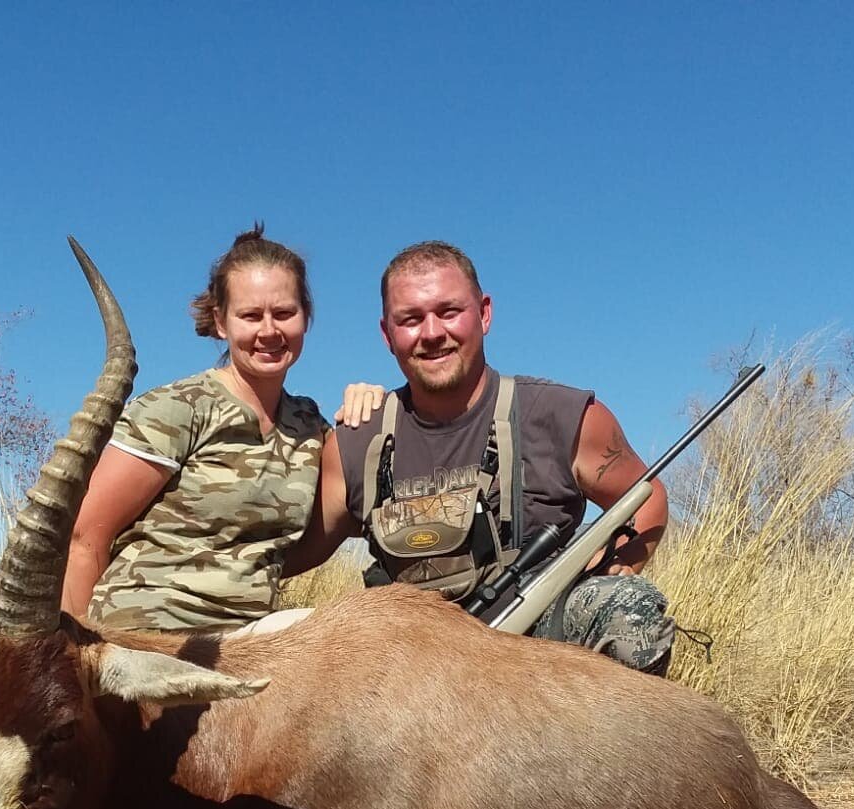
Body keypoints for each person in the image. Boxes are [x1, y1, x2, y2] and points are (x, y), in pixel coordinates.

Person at [284, 240, 675, 674]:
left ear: (484, 313)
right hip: (406, 667)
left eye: (449, 311)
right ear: (387, 334)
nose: (432, 333)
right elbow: (295, 553)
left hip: (539, 658)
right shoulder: (357, 442)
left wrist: (622, 564)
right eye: (410, 319)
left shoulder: (562, 415)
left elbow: (648, 494)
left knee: (628, 609)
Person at [61, 226, 329, 633]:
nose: (269, 331)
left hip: (246, 640)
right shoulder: (177, 409)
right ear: (221, 322)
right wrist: (76, 660)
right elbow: (84, 538)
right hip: (146, 636)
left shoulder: (308, 425)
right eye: (251, 316)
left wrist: (370, 401)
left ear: (306, 317)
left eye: (284, 313)